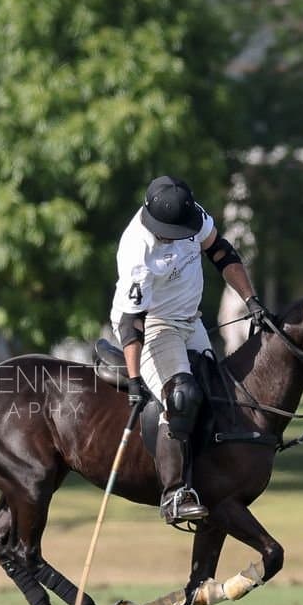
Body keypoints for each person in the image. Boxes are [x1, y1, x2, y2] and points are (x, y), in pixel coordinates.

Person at [109, 175, 267, 526]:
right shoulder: (138, 249)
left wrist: (251, 300)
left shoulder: (191, 215)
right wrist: (135, 382)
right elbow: (129, 324)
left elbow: (221, 252)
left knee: (224, 392)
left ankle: (213, 477)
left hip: (190, 321)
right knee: (181, 396)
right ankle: (174, 495)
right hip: (153, 326)